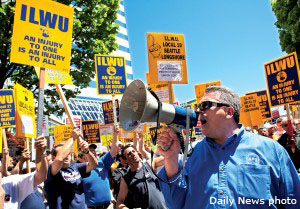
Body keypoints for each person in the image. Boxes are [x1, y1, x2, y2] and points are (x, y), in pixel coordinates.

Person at [157, 86, 300, 209]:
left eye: (205, 105)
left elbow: (294, 200)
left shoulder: (272, 150)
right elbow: (175, 204)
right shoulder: (191, 154)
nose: (199, 111)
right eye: (197, 107)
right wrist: (170, 159)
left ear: (229, 112)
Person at [44, 128, 98, 209]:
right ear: (54, 157)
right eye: (64, 154)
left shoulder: (76, 167)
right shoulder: (51, 171)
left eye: (68, 154)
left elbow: (93, 165)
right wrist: (72, 138)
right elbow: (60, 159)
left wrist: (87, 151)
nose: (66, 157)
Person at [2, 135, 48, 209]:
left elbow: (41, 176)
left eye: (33, 170)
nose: (32, 172)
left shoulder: (11, 182)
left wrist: (42, 152)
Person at [116, 144, 168, 209]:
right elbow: (119, 202)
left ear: (137, 153)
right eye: (129, 154)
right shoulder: (126, 179)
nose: (133, 154)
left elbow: (168, 157)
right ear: (126, 160)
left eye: (133, 151)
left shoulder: (149, 164)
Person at [82, 125, 119, 209]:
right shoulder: (79, 169)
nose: (93, 153)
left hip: (108, 206)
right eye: (89, 151)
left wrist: (115, 134)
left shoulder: (102, 161)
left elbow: (114, 151)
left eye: (93, 150)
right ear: (83, 154)